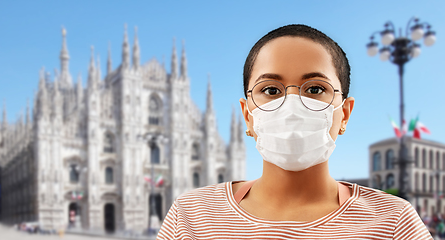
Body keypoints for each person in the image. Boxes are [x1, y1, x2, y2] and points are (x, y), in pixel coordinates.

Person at [157, 24, 431, 239]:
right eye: (271, 90)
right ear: (247, 115)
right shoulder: (192, 215)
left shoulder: (394, 221)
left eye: (314, 89)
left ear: (344, 113)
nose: (291, 106)